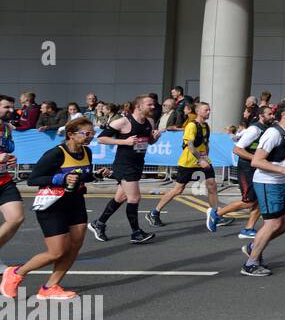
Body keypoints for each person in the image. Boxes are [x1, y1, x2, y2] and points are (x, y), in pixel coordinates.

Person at [2, 117, 97, 301]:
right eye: (86, 133)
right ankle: (16, 273)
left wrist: (96, 175)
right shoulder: (55, 153)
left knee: (75, 246)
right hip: (53, 205)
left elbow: (82, 176)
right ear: (71, 134)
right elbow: (33, 179)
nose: (90, 137)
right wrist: (60, 179)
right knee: (57, 252)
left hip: (76, 202)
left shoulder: (87, 152)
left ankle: (50, 287)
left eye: (92, 133)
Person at [241, 102, 285, 276]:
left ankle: (254, 246)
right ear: (284, 114)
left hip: (283, 181)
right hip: (268, 182)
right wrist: (284, 169)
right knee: (273, 223)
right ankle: (250, 263)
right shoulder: (273, 133)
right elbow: (257, 161)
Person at [90, 94, 159, 245]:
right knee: (134, 198)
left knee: (120, 198)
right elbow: (101, 138)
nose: (153, 107)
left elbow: (149, 142)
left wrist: (155, 138)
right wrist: (125, 141)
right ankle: (136, 233)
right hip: (124, 164)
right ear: (139, 106)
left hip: (138, 163)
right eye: (150, 104)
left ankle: (98, 223)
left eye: (154, 104)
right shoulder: (123, 122)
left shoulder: (150, 122)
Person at [150, 101, 229, 232]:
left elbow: (205, 144)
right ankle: (154, 212)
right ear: (198, 111)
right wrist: (200, 159)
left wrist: (206, 159)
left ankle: (215, 215)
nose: (208, 112)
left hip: (203, 160)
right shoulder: (191, 126)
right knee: (178, 189)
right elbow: (190, 145)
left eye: (209, 110)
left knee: (212, 185)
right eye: (206, 110)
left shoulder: (206, 126)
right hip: (188, 162)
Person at [218, 104, 273, 239]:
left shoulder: (266, 128)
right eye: (269, 114)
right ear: (261, 116)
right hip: (246, 168)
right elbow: (237, 150)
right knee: (248, 202)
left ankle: (248, 229)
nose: (272, 116)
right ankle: (217, 214)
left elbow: (238, 137)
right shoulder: (255, 129)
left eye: (272, 114)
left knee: (260, 200)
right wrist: (256, 158)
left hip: (257, 168)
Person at [0, 96, 26, 254]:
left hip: (4, 180)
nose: (11, 110)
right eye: (7, 107)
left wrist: (10, 159)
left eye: (12, 107)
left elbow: (6, 151)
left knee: (16, 218)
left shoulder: (7, 127)